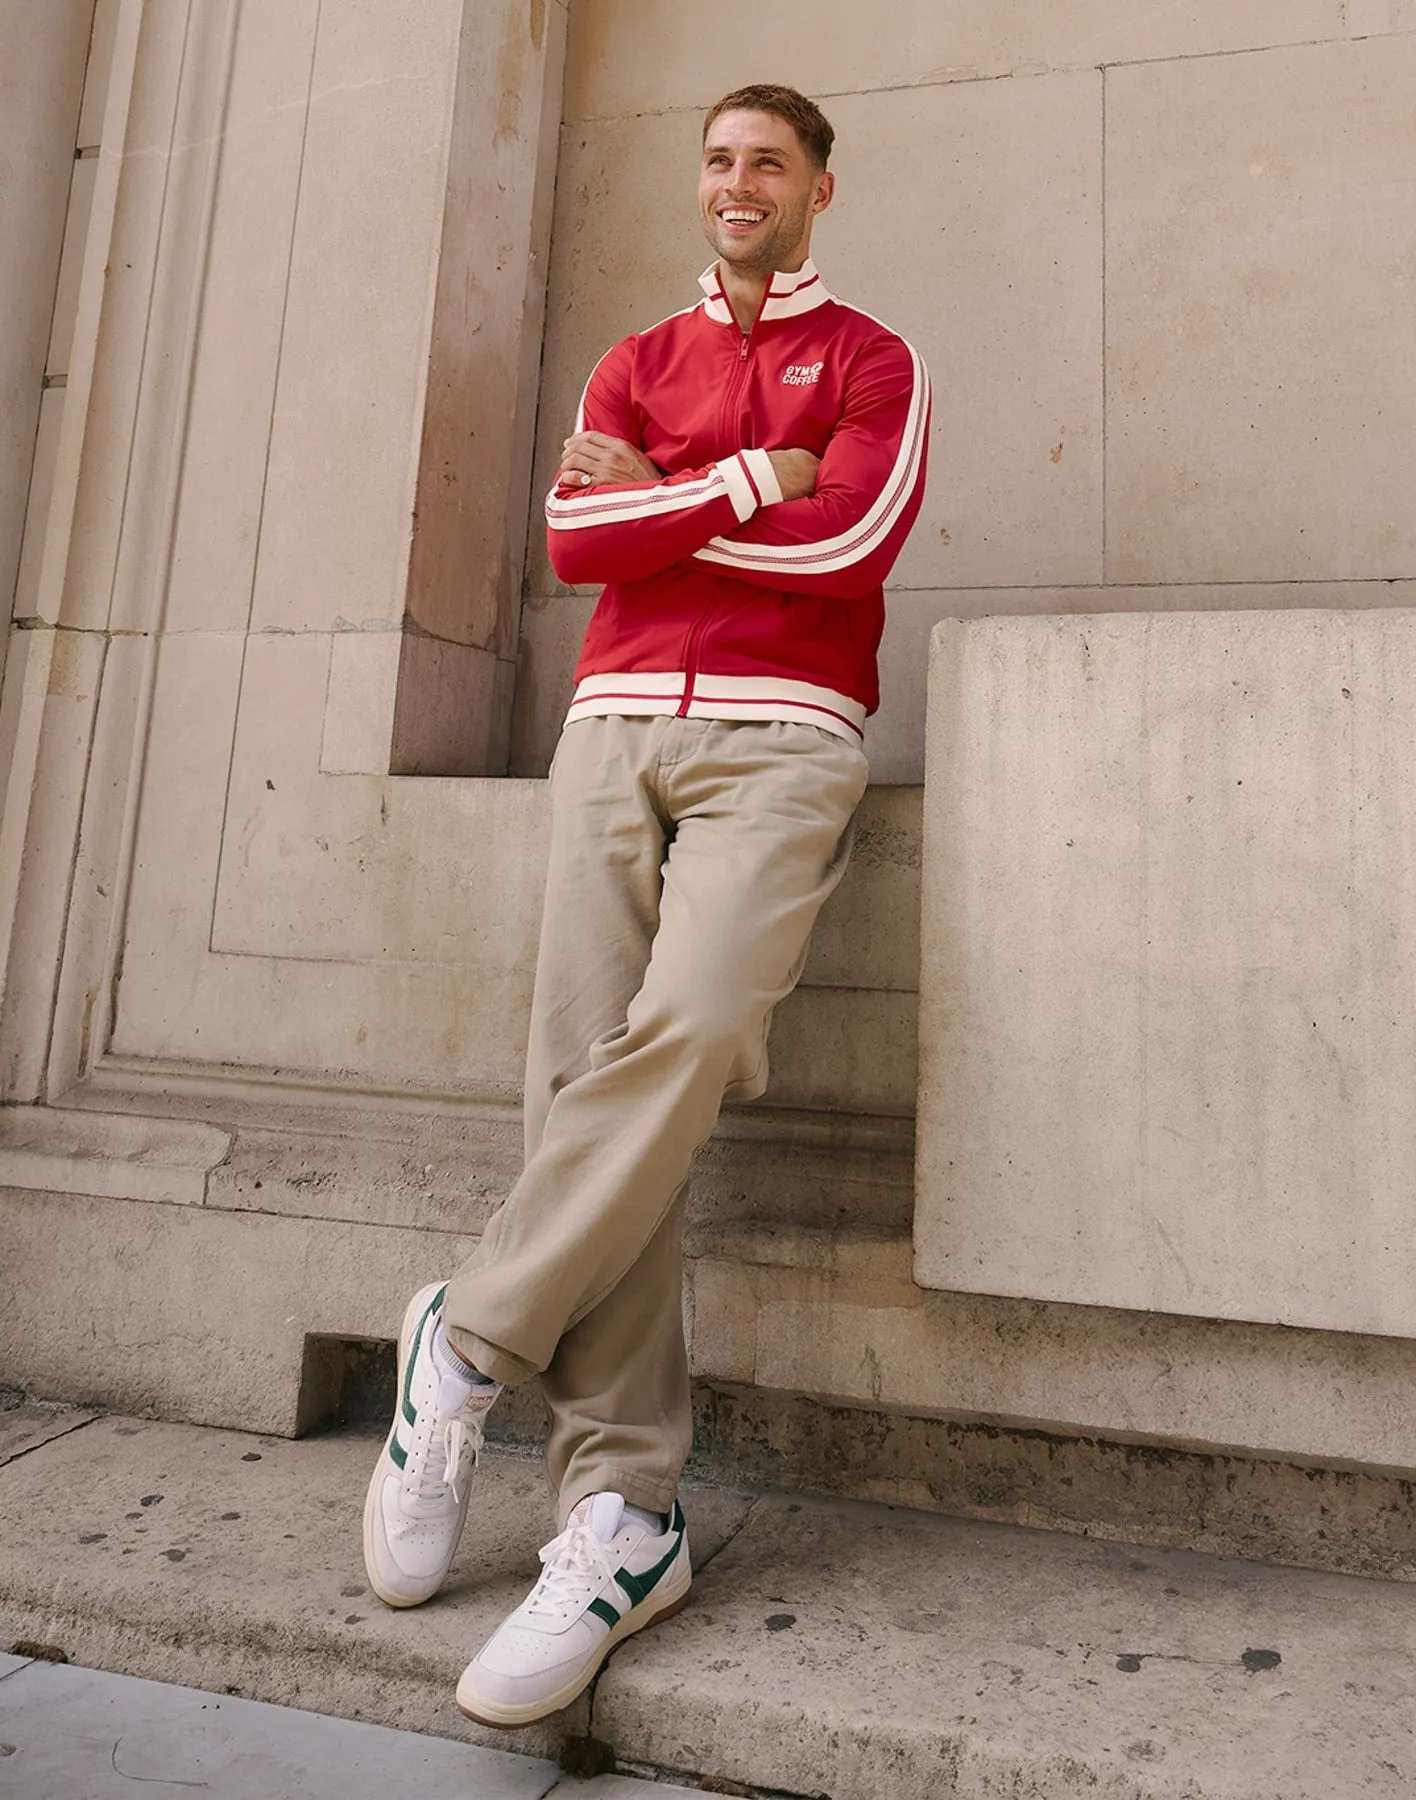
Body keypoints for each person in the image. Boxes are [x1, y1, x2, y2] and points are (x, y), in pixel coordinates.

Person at [363, 81, 930, 1730]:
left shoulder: (878, 358)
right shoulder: (631, 357)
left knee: (686, 1034)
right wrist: (759, 476)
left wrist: (674, 502)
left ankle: (466, 1341)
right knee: (579, 1082)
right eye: (716, 160)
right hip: (612, 732)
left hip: (786, 741)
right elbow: (571, 536)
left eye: (768, 161)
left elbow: (858, 541)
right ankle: (623, 1518)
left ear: (820, 186)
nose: (736, 182)